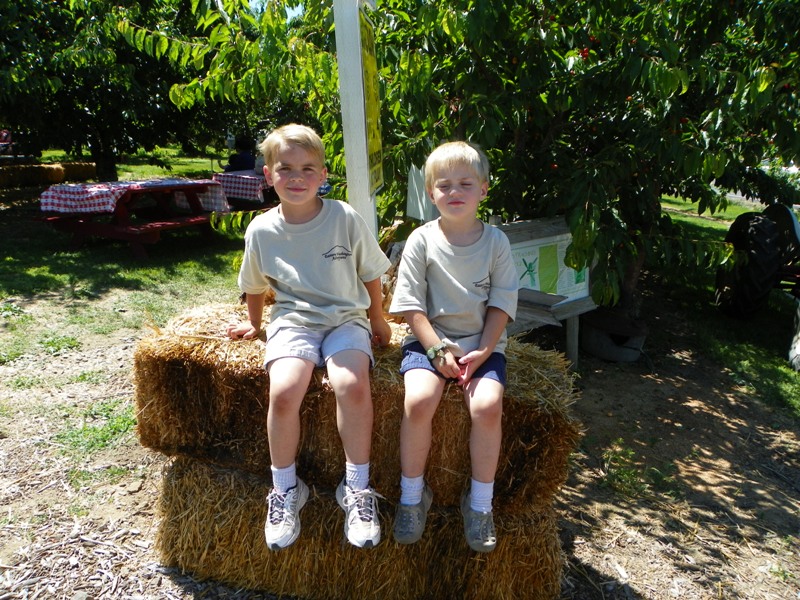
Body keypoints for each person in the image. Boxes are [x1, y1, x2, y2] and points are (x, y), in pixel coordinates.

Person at [227, 123, 392, 550]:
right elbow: (256, 285)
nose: (296, 178)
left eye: (307, 169)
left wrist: (378, 320)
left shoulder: (343, 217)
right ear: (267, 175)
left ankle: (356, 487)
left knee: (351, 385)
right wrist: (256, 324)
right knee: (283, 391)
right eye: (285, 169)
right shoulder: (261, 230)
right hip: (293, 321)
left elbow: (371, 274)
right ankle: (285, 488)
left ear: (323, 175)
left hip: (344, 319)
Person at [388, 141, 518, 552]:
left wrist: (483, 350)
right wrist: (435, 350)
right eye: (444, 185)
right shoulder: (421, 240)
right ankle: (412, 496)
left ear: (483, 189)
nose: (454, 191)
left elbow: (500, 304)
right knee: (419, 402)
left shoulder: (497, 242)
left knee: (486, 407)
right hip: (428, 343)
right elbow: (410, 306)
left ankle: (479, 504)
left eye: (465, 182)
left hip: (482, 344)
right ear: (431, 194)